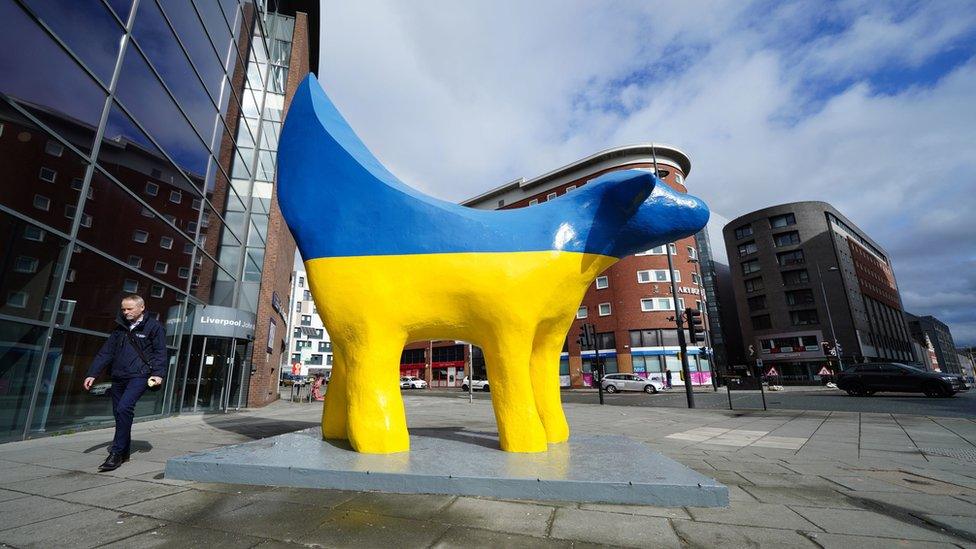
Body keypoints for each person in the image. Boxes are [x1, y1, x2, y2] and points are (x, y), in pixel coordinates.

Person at [83, 294, 167, 472]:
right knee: (119, 413)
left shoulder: (154, 327)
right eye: (123, 309)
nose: (125, 312)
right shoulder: (120, 328)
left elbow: (160, 352)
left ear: (141, 307)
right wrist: (92, 374)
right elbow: (106, 352)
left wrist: (158, 374)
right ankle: (125, 451)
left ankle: (116, 453)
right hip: (119, 376)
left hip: (140, 375)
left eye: (129, 309)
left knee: (124, 408)